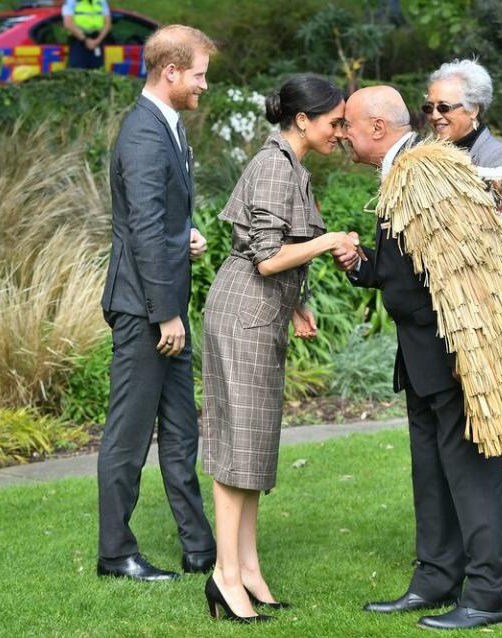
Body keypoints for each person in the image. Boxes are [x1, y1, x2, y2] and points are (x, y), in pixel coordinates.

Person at [339, 85, 502, 631]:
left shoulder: (421, 170)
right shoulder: (407, 171)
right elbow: (410, 265)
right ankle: (437, 576)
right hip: (421, 355)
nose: (341, 133)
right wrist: (361, 264)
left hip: (450, 351)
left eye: (346, 123)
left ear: (375, 127)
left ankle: (488, 594)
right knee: (433, 472)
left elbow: (455, 267)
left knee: (470, 472)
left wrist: (378, 270)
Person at [200, 74, 357, 622]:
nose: (342, 132)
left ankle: (247, 570)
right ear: (303, 121)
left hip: (261, 312)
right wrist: (330, 240)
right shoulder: (272, 165)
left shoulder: (290, 164)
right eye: (336, 122)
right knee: (235, 448)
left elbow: (271, 252)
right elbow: (266, 256)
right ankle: (224, 575)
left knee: (254, 446)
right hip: (242, 315)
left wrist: (296, 302)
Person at [97, 25, 217, 583]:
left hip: (162, 300)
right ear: (170, 72)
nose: (203, 86)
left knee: (181, 429)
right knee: (128, 435)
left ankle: (199, 548)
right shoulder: (145, 134)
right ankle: (115, 553)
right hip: (146, 309)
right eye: (198, 76)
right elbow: (142, 229)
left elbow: (158, 222)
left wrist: (185, 235)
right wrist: (165, 313)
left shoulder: (164, 125)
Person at [425, 59, 502, 573]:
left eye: (444, 107)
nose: (433, 115)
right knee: (484, 431)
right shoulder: (441, 153)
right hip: (461, 315)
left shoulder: (496, 160)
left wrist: (498, 325)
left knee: (497, 428)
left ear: (474, 109)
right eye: (428, 106)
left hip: (490, 318)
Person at [62, 0, 112, 70]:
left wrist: (97, 41)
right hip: (78, 41)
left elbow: (108, 24)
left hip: (97, 42)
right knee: (78, 74)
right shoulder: (72, 1)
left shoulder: (102, 1)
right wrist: (85, 40)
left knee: (97, 74)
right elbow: (68, 23)